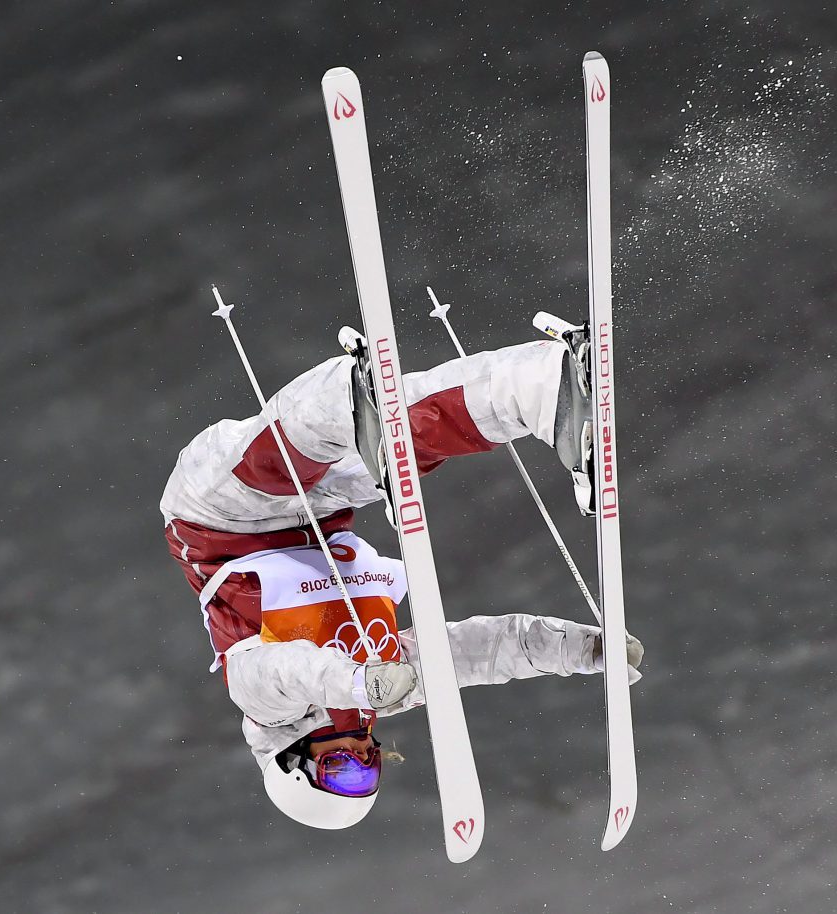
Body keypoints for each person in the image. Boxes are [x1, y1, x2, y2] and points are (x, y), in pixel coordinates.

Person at [160, 323, 644, 829]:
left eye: (343, 772)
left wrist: (357, 685)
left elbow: (291, 668)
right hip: (318, 516)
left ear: (296, 764)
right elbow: (485, 653)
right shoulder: (388, 684)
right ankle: (546, 388)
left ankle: (345, 400)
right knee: (412, 443)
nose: (363, 760)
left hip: (214, 517)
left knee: (278, 460)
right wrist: (585, 651)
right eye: (370, 774)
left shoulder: (267, 706)